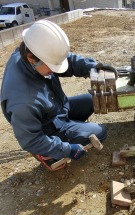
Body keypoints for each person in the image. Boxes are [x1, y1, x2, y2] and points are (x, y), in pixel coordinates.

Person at [0, 20, 117, 171]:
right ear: (31, 58)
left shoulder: (30, 53)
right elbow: (31, 140)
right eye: (52, 67)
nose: (55, 70)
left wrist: (91, 67)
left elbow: (65, 60)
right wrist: (67, 149)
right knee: (100, 132)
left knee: (91, 99)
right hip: (47, 129)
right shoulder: (24, 101)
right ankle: (49, 155)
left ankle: (73, 129)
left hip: (55, 109)